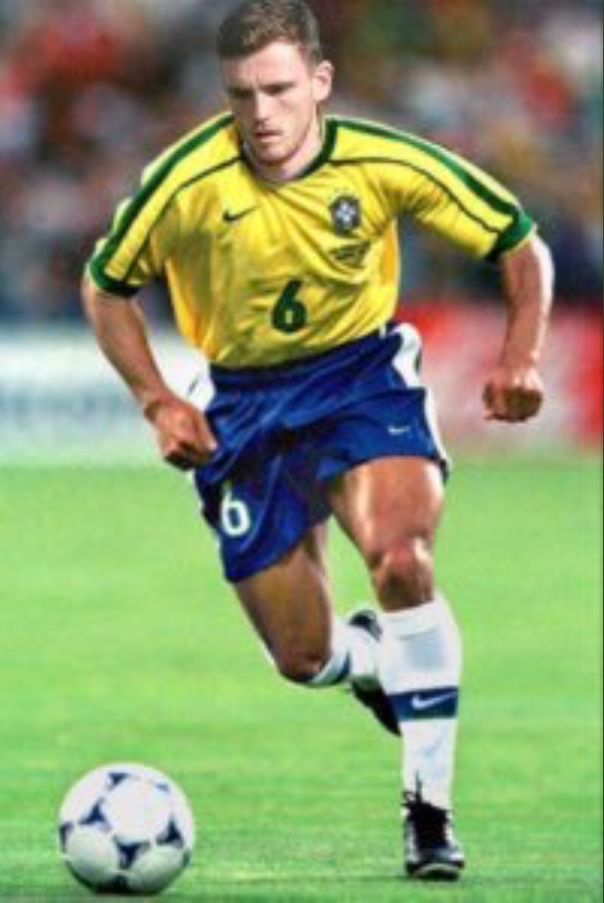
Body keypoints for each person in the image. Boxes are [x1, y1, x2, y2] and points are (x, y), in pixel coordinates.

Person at [82, 0, 554, 882]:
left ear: (320, 82)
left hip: (359, 380)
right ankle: (371, 659)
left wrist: (521, 355)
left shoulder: (384, 161)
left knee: (403, 560)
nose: (261, 113)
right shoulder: (183, 182)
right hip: (243, 405)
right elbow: (105, 286)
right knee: (303, 657)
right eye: (242, 95)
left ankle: (428, 813)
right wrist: (156, 399)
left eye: (279, 90)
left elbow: (520, 244)